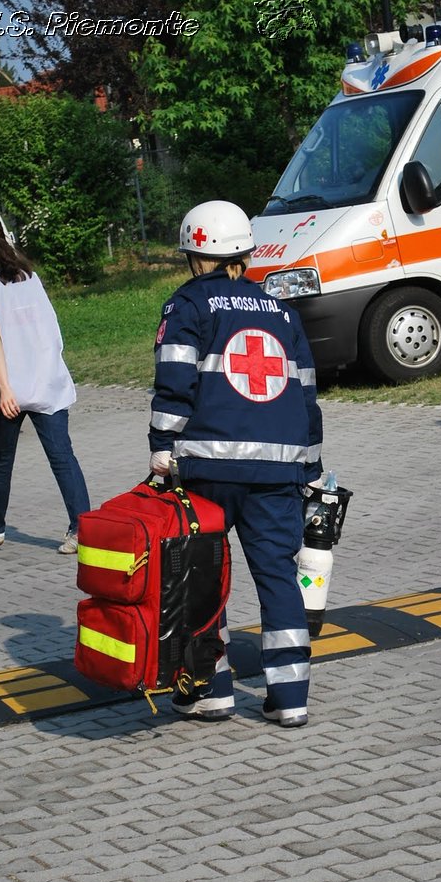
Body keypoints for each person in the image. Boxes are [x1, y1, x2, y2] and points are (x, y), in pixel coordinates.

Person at [148, 200, 323, 728]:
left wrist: (162, 443)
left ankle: (211, 690)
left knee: (204, 578)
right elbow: (307, 392)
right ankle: (291, 697)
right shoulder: (281, 310)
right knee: (278, 577)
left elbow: (176, 380)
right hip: (278, 471)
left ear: (194, 256)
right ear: (243, 255)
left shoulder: (188, 306)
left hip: (209, 468)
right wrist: (311, 467)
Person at [0, 211, 90, 552]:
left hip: (5, 383)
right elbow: (48, 324)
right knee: (63, 457)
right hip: (46, 376)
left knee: (1, 459)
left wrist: (6, 389)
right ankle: (81, 529)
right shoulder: (27, 274)